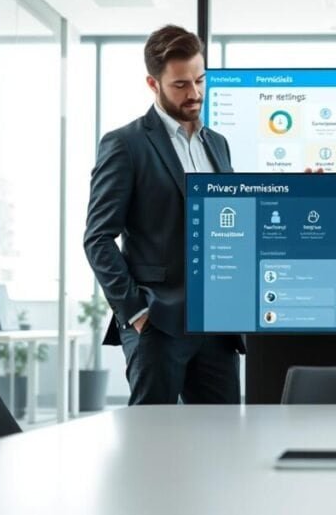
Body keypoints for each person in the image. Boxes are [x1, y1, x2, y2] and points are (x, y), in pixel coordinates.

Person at [83, 24, 243, 405]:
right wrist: (136, 312)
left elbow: (233, 223)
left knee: (222, 441)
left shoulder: (217, 145)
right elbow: (98, 238)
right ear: (153, 84)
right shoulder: (125, 144)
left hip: (217, 322)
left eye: (200, 80)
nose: (195, 93)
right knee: (151, 442)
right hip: (158, 323)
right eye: (181, 85)